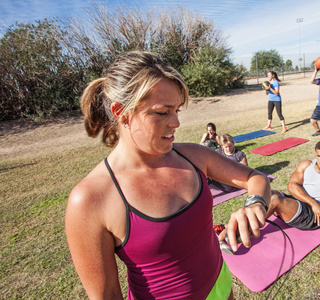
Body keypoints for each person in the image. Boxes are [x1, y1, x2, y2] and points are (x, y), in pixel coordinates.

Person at [65, 51, 271, 300]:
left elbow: (255, 178)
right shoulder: (90, 199)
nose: (175, 122)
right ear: (121, 112)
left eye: (177, 111)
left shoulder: (193, 155)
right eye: (163, 112)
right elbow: (106, 295)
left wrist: (254, 202)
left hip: (221, 287)